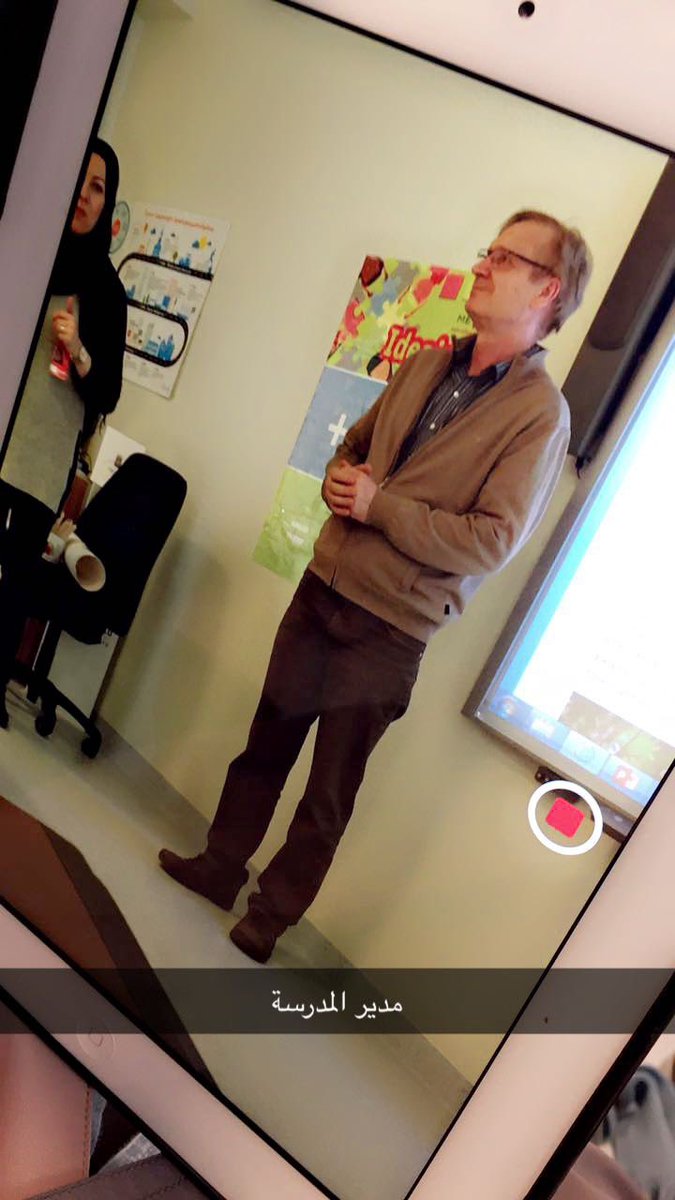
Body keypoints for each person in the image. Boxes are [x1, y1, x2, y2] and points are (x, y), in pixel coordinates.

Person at [160, 209, 592, 962]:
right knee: (262, 746)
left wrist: (377, 506)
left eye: (502, 258)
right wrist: (340, 478)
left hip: (389, 630)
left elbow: (490, 540)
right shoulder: (425, 363)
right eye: (486, 251)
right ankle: (219, 866)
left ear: (546, 289)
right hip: (322, 589)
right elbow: (356, 447)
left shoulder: (539, 415)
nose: (481, 266)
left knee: (327, 796)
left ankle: (268, 920)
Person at [0, 138, 126, 729]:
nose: (84, 194)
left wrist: (77, 350)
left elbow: (108, 395)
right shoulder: (27, 247)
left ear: (108, 203)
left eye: (98, 187)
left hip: (41, 456)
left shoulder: (106, 293)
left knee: (12, 585)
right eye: (80, 178)